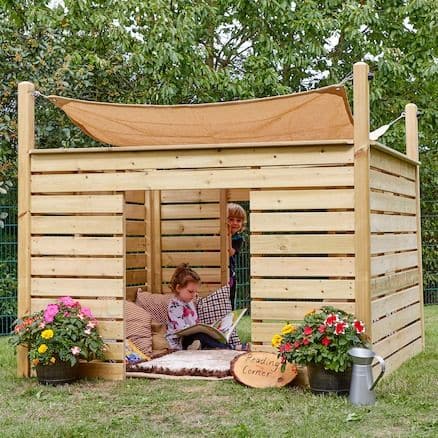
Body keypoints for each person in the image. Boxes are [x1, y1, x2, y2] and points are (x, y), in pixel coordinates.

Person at [166, 263, 231, 351]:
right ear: (178, 288)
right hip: (180, 341)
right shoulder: (174, 306)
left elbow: (194, 323)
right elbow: (180, 330)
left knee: (212, 336)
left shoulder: (190, 302)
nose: (194, 295)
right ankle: (228, 349)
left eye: (195, 292)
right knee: (201, 336)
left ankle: (220, 346)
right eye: (190, 291)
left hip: (193, 337)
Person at [227, 203, 246, 310]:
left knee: (230, 300)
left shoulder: (238, 239)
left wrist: (228, 234)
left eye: (238, 220)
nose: (234, 223)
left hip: (230, 274)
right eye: (231, 219)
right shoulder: (216, 234)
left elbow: (230, 252)